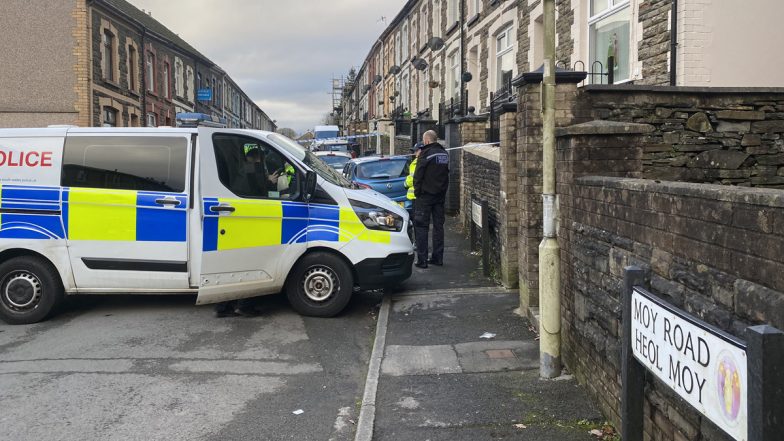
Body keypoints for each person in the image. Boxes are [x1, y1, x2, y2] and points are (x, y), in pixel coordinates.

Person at [412, 130, 449, 268]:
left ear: (427, 141)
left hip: (425, 196)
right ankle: (438, 258)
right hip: (439, 196)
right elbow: (446, 174)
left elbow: (418, 175)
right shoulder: (444, 153)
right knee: (439, 227)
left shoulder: (425, 154)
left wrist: (417, 193)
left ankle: (422, 260)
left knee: (421, 227)